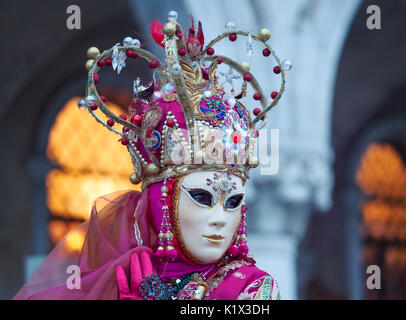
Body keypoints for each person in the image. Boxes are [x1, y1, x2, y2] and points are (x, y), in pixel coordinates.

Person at [14, 11, 287, 300]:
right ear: (161, 202)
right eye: (202, 197)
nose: (220, 219)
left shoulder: (252, 291)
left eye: (233, 202)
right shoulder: (126, 279)